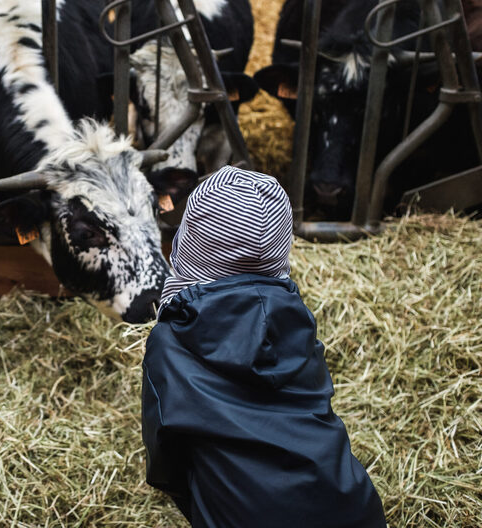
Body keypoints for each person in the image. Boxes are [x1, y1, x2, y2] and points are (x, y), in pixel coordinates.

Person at [142, 166, 387, 528]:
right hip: (355, 509)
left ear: (189, 244)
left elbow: (165, 461)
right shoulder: (297, 318)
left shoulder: (170, 342)